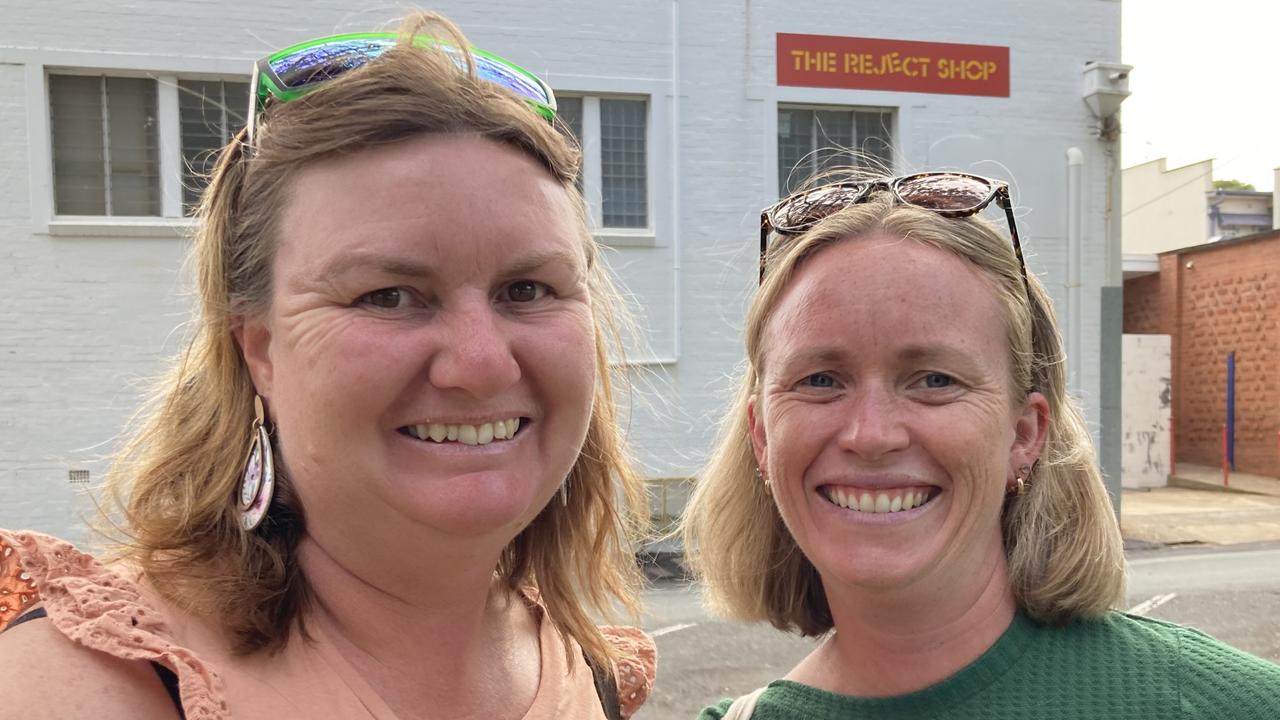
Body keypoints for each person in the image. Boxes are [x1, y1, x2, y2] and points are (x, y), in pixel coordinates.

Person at [0, 12, 656, 719]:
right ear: (258, 350)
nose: (481, 364)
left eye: (528, 290)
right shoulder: (94, 685)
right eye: (389, 295)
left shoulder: (591, 671)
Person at [682, 170, 1280, 719]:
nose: (871, 435)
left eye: (935, 380)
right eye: (820, 381)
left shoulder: (1220, 704)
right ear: (761, 437)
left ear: (1024, 435)